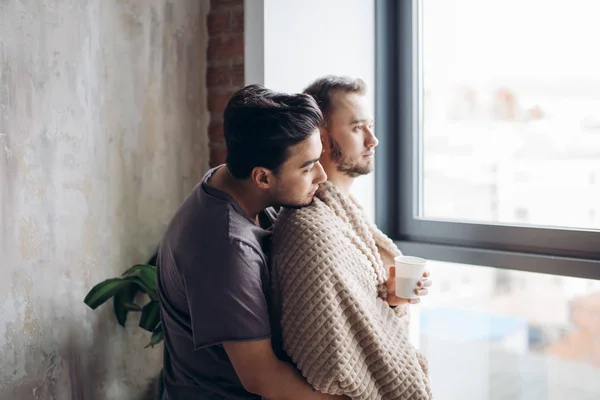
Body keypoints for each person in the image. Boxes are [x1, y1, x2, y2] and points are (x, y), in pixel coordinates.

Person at [155, 84, 346, 400]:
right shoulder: (226, 248)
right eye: (308, 166)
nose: (322, 177)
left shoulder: (233, 179)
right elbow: (262, 378)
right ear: (263, 177)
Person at [270, 76, 433, 399]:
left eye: (369, 126)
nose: (373, 140)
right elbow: (328, 359)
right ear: (322, 138)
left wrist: (391, 301)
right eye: (358, 128)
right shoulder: (310, 229)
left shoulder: (347, 216)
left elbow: (361, 324)